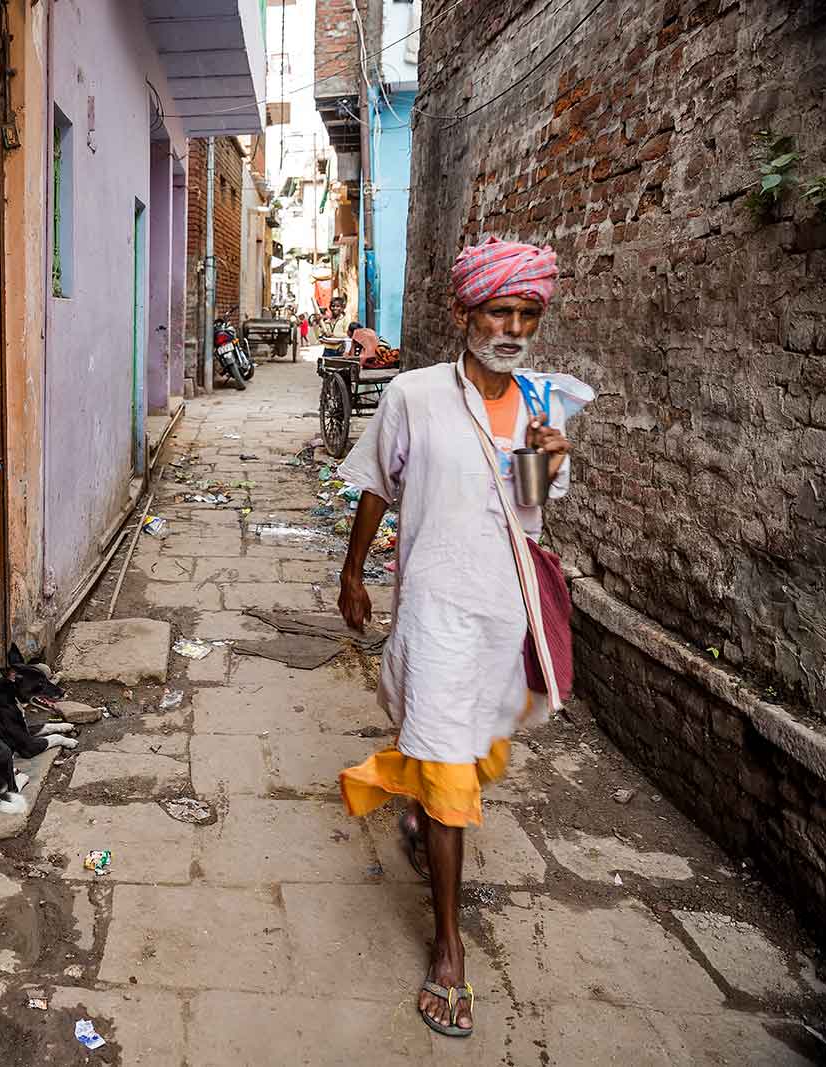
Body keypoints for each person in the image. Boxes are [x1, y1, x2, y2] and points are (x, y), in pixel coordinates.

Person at [333, 237, 573, 1039]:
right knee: (446, 769)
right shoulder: (414, 395)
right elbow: (377, 484)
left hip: (503, 612)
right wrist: (353, 572)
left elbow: (532, 508)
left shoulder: (542, 403)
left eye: (526, 313)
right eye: (499, 310)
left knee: (479, 751)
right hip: (434, 607)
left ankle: (417, 811)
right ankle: (448, 946)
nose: (512, 327)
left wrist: (543, 458)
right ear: (464, 311)